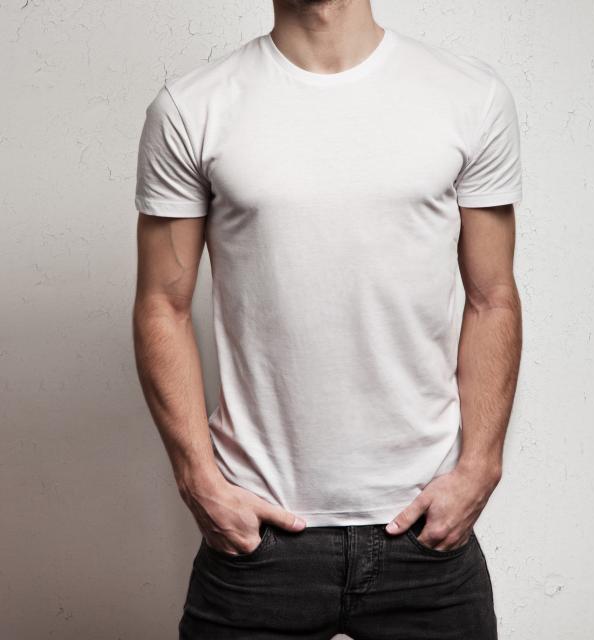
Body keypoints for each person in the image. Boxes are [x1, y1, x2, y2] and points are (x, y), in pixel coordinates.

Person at [132, 0, 523, 637]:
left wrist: (481, 466)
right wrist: (197, 478)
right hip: (259, 537)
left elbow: (493, 297)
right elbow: (161, 304)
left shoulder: (469, 96)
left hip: (427, 533)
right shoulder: (191, 106)